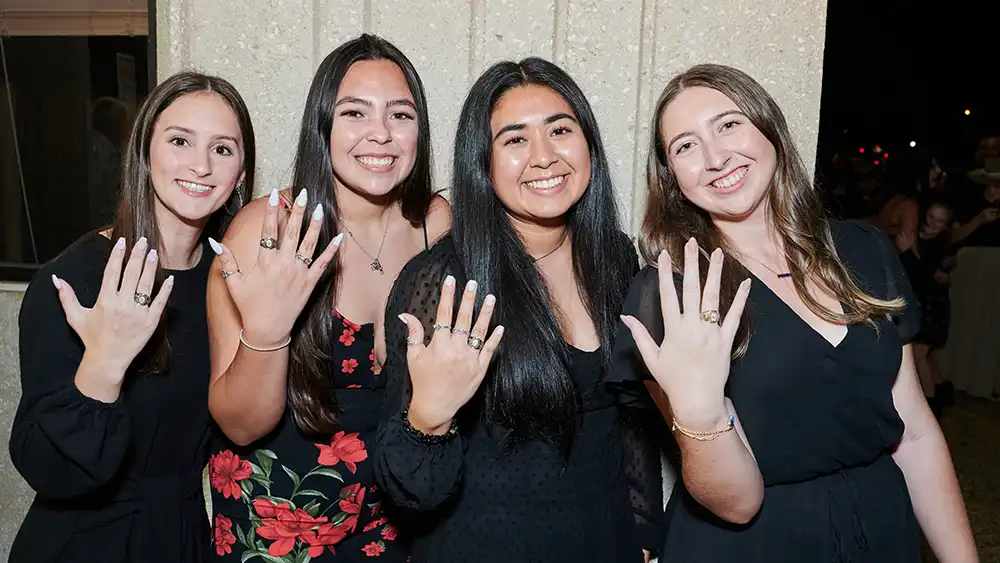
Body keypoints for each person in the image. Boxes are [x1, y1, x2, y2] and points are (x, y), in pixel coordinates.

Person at [612, 63, 978, 562]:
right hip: (753, 544)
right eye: (685, 146)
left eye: (728, 124)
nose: (715, 157)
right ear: (672, 178)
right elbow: (737, 504)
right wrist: (701, 409)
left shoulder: (864, 249)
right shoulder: (669, 295)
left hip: (880, 526)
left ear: (770, 128)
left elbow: (914, 433)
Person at [373, 57, 655, 563]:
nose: (544, 157)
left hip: (600, 540)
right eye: (515, 139)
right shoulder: (445, 282)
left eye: (560, 130)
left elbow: (629, 422)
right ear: (482, 162)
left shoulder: (615, 257)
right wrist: (428, 417)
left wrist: (642, 532)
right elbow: (412, 494)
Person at [205, 34, 450, 561]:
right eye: (355, 113)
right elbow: (239, 424)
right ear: (323, 126)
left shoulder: (436, 226)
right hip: (283, 520)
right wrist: (268, 334)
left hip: (394, 514)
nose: (380, 134)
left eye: (401, 115)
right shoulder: (266, 231)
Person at [9, 71, 255, 562]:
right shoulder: (73, 279)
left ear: (241, 176)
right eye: (180, 141)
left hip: (180, 538)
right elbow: (46, 468)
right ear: (144, 153)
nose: (201, 165)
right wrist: (104, 362)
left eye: (223, 149)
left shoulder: (233, 280)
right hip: (84, 543)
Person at [898, 201, 956, 418]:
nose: (933, 223)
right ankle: (942, 392)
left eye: (940, 220)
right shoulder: (917, 236)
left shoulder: (943, 245)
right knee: (926, 355)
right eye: (931, 216)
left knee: (919, 354)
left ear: (946, 225)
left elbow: (925, 275)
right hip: (923, 304)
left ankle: (932, 407)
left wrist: (906, 253)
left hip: (934, 308)